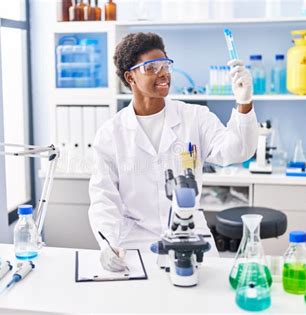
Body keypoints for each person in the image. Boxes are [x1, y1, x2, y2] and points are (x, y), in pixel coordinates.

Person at [88, 32, 258, 272]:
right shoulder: (110, 134)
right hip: (136, 239)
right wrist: (107, 243)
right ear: (130, 77)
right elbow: (103, 198)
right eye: (151, 67)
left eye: (166, 64)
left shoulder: (194, 117)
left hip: (191, 233)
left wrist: (244, 103)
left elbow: (237, 150)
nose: (163, 73)